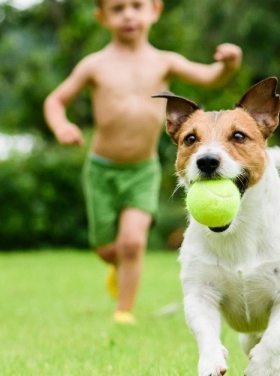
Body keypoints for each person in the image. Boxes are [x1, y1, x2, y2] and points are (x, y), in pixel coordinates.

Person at [43, 0, 242, 324]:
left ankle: (124, 310)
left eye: (137, 5)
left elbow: (210, 76)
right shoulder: (94, 65)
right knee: (107, 249)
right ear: (101, 17)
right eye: (118, 8)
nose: (129, 15)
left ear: (155, 11)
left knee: (133, 243)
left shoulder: (163, 62)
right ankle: (115, 265)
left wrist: (230, 64)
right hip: (101, 169)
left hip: (142, 170)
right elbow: (55, 100)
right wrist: (61, 125)